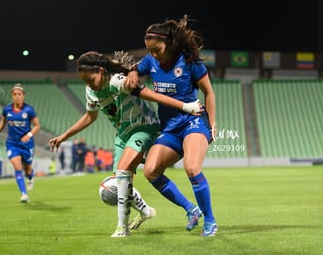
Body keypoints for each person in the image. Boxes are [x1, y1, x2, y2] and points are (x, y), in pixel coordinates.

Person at [49, 51, 201, 237]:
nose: (88, 84)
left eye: (90, 79)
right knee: (118, 184)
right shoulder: (91, 91)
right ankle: (149, 211)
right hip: (123, 135)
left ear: (101, 71)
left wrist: (185, 106)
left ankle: (122, 227)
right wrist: (65, 135)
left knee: (122, 174)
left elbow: (150, 95)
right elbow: (90, 116)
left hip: (144, 126)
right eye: (84, 81)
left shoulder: (117, 81)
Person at [125, 15, 218, 237]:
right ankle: (191, 209)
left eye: (157, 49)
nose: (154, 54)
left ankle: (211, 221)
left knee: (192, 168)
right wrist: (132, 71)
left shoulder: (188, 61)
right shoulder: (151, 60)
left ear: (169, 43)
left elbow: (209, 93)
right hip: (170, 129)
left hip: (193, 121)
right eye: (150, 50)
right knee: (150, 171)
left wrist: (213, 126)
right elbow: (137, 67)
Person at [0, 83, 41, 203]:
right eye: (14, 94)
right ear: (12, 96)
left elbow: (37, 125)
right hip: (12, 143)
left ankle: (30, 178)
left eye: (19, 94)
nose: (17, 96)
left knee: (28, 168)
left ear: (23, 96)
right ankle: (24, 194)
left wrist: (28, 135)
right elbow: (3, 121)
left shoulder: (29, 110)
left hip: (27, 143)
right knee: (17, 165)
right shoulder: (7, 109)